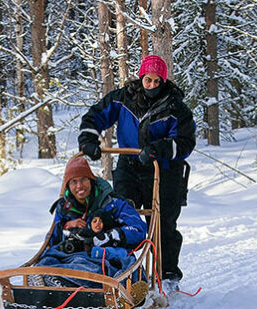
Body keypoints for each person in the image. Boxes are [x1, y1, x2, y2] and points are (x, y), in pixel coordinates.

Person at [77, 53, 196, 281]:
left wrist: (158, 148)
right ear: (141, 78)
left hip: (164, 171)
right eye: (147, 79)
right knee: (117, 218)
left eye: (156, 81)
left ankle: (167, 274)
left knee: (161, 224)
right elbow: (95, 116)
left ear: (163, 81)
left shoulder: (175, 106)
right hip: (129, 167)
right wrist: (89, 140)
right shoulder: (124, 98)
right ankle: (117, 270)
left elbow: (185, 142)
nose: (151, 85)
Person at [38, 154, 147, 278]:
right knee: (47, 261)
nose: (79, 186)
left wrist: (110, 236)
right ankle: (52, 281)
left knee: (96, 269)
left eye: (83, 179)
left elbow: (138, 230)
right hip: (72, 257)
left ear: (91, 180)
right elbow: (52, 241)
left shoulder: (112, 203)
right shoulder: (64, 208)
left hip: (105, 257)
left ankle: (61, 281)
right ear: (68, 185)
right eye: (74, 181)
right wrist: (66, 227)